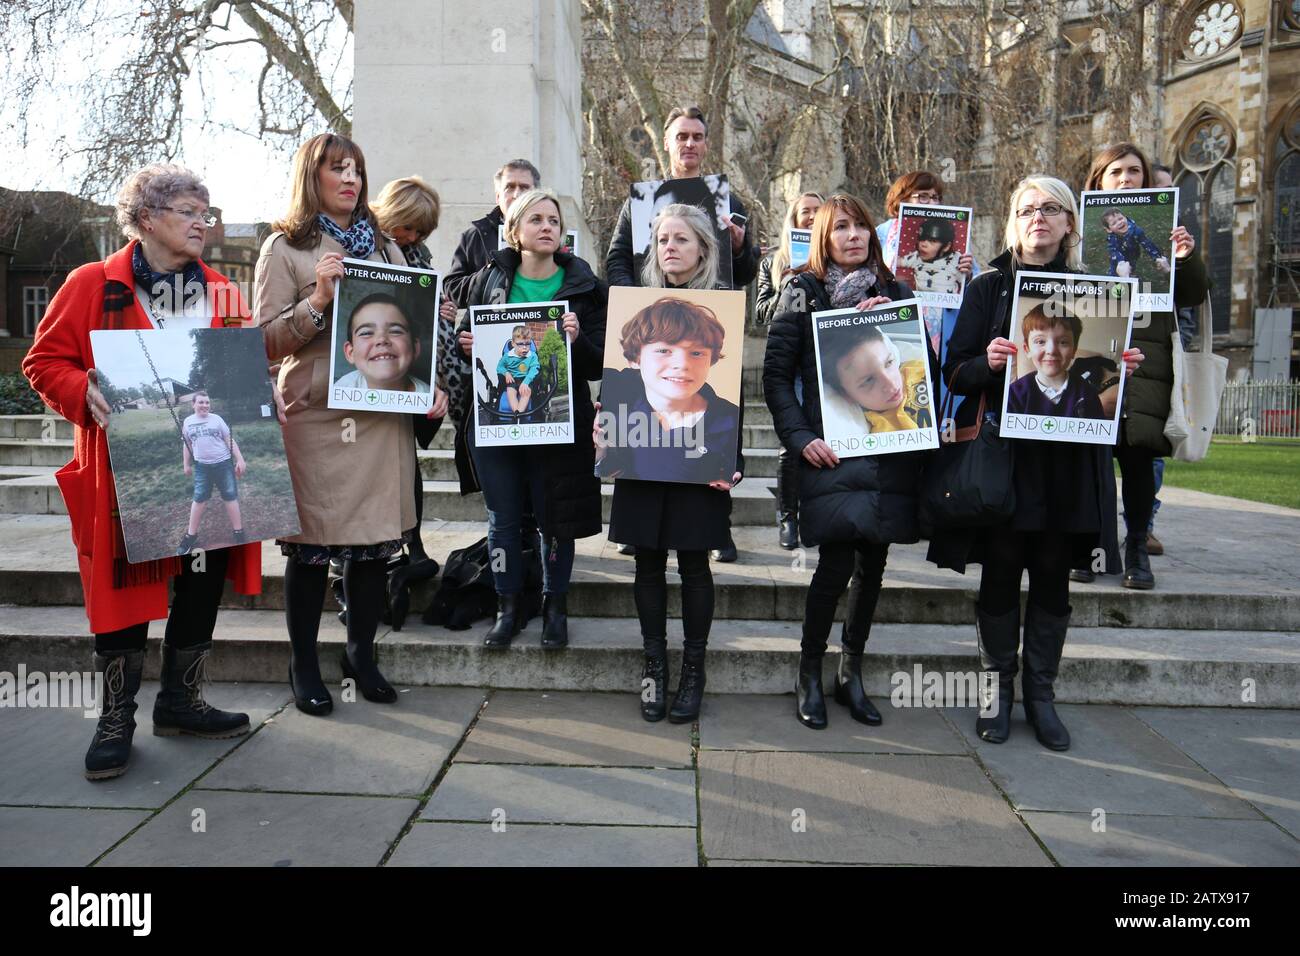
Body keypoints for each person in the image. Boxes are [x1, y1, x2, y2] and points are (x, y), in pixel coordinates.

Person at [22, 163, 261, 780]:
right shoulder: (90, 283)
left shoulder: (223, 292)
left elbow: (241, 365)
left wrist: (262, 392)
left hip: (206, 458)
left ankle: (181, 702)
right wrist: (82, 388)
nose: (202, 224)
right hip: (121, 471)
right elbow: (44, 361)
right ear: (148, 218)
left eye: (206, 214)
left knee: (203, 578)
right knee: (124, 593)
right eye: (189, 212)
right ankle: (115, 719)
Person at [927, 175, 1144, 751]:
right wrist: (990, 362)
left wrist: (1125, 365)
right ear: (1013, 222)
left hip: (1069, 465)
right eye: (1027, 209)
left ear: (1071, 222)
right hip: (1006, 459)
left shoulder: (1097, 292)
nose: (1038, 218)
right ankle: (996, 693)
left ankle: (1041, 697)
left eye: (1050, 209)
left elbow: (1105, 380)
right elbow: (954, 371)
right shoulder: (989, 289)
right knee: (1001, 571)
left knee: (1052, 574)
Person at [255, 132, 448, 716]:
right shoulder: (283, 247)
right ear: (311, 177)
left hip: (382, 412)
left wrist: (428, 383)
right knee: (311, 548)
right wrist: (318, 298)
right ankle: (304, 662)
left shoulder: (387, 247)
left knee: (370, 547)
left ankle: (361, 655)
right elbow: (264, 341)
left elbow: (409, 329)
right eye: (338, 169)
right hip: (317, 415)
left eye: (357, 170)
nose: (351, 180)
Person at [764, 193, 925, 729]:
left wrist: (897, 325)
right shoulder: (802, 292)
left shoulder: (895, 291)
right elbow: (776, 377)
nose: (853, 236)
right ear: (823, 239)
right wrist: (798, 437)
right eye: (841, 229)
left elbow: (923, 361)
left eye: (860, 227)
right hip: (829, 453)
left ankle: (850, 670)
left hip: (889, 453)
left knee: (873, 566)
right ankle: (809, 671)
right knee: (834, 565)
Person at [597, 204, 743, 724]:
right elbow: (610, 423)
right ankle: (654, 665)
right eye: (662, 239)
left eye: (682, 239)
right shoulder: (635, 311)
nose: (671, 248)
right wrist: (604, 436)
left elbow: (733, 402)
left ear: (704, 247)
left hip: (702, 465)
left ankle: (694, 669)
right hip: (640, 466)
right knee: (647, 562)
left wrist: (735, 462)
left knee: (695, 563)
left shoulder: (723, 308)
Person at [454, 187, 606, 648]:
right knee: (502, 520)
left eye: (554, 221)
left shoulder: (586, 286)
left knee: (554, 520)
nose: (546, 227)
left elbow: (601, 363)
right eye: (536, 219)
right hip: (497, 423)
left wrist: (576, 341)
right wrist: (467, 344)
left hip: (559, 422)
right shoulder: (488, 279)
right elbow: (468, 337)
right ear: (514, 231)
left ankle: (554, 607)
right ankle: (508, 606)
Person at [1071, 143, 1206, 589]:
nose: (1126, 179)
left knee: (1138, 455)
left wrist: (1184, 257)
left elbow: (1191, 294)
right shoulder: (1083, 231)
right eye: (1115, 172)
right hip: (1094, 344)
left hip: (1147, 354)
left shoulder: (1167, 230)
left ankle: (1136, 551)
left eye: (1134, 171)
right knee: (1090, 456)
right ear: (1099, 180)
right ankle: (1090, 549)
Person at [370, 174, 459, 618]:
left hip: (407, 377)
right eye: (411, 227)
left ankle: (411, 547)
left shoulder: (419, 259)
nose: (416, 237)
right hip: (368, 378)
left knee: (406, 463)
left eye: (422, 232)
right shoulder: (362, 246)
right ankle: (371, 570)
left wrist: (445, 316)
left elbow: (429, 330)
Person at [605, 106, 759, 292]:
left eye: (697, 137)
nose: (690, 144)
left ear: (706, 145)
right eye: (682, 136)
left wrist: (739, 250)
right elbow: (617, 259)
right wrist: (634, 299)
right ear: (666, 143)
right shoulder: (640, 203)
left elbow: (745, 275)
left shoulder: (729, 204)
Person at [597, 296, 741, 484]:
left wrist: (733, 472)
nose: (682, 364)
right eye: (664, 351)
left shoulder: (728, 418)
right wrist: (599, 452)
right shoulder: (617, 410)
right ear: (635, 359)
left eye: (696, 353)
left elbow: (735, 461)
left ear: (711, 360)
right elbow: (609, 467)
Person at [756, 191, 823, 549]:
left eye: (818, 211)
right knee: (791, 443)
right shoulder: (773, 262)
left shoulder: (833, 261)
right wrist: (787, 286)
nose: (811, 217)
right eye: (804, 212)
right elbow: (761, 312)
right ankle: (788, 516)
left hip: (826, 357)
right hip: (791, 359)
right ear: (793, 221)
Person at [444, 160, 541, 309]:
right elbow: (452, 290)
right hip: (489, 327)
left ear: (537, 194)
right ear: (498, 196)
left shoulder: (552, 235)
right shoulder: (474, 236)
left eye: (524, 187)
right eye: (509, 187)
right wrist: (490, 274)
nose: (517, 194)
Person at [818, 321, 933, 433]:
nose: (892, 385)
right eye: (869, 380)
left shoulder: (917, 367)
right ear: (845, 394)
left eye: (889, 362)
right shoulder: (885, 433)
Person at [177, 390, 247, 555]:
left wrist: (240, 459)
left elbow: (228, 439)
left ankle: (238, 532)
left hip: (223, 464)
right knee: (199, 498)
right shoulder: (188, 422)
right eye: (201, 402)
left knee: (230, 496)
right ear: (193, 404)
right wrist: (186, 464)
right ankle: (191, 535)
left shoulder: (217, 419)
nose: (204, 405)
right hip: (202, 466)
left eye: (207, 402)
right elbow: (186, 443)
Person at [1005, 304, 1105, 419]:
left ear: (1074, 350)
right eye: (1040, 341)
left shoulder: (1088, 394)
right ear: (1027, 349)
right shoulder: (1013, 394)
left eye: (1063, 342)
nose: (1051, 350)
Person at [335, 293, 431, 392]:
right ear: (350, 352)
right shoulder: (342, 388)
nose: (382, 339)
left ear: (415, 348)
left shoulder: (431, 400)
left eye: (395, 331)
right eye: (366, 333)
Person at [897, 219, 964, 295]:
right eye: (921, 239)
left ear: (946, 246)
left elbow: (966, 281)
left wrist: (968, 274)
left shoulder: (955, 259)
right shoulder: (916, 257)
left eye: (932, 241)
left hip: (947, 304)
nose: (923, 245)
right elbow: (898, 262)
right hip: (922, 303)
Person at [1099, 209, 1170, 279]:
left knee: (1131, 266)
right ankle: (1114, 279)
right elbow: (1114, 250)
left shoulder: (1136, 231)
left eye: (1120, 219)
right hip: (1118, 258)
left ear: (1125, 217)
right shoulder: (1112, 237)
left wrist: (1156, 257)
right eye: (1114, 223)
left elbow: (1148, 244)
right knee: (1115, 270)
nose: (1119, 223)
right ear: (1109, 229)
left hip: (1132, 254)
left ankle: (1130, 276)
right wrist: (1121, 261)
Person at [497, 325, 540, 413]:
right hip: (512, 380)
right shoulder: (508, 356)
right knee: (510, 392)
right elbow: (500, 367)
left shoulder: (532, 356)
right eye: (520, 344)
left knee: (526, 393)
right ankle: (516, 413)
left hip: (526, 380)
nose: (524, 347)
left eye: (527, 344)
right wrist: (506, 373)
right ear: (513, 344)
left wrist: (526, 382)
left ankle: (519, 414)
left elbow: (534, 369)